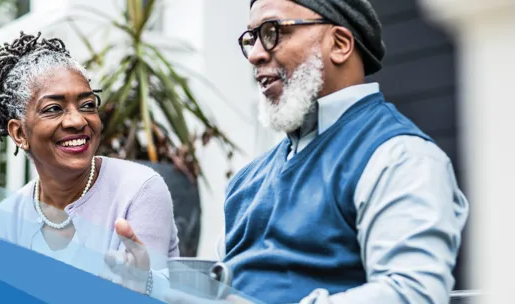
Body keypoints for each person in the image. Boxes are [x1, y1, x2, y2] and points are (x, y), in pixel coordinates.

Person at [110, 0, 470, 303]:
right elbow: (223, 290)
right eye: (250, 38)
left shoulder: (399, 156)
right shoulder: (248, 181)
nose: (253, 54)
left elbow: (414, 293)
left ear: (340, 44)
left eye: (272, 33)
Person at [0, 32, 179, 299]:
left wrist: (145, 284)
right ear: (19, 134)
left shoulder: (139, 190)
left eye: (87, 104)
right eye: (53, 108)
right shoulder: (5, 222)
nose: (77, 121)